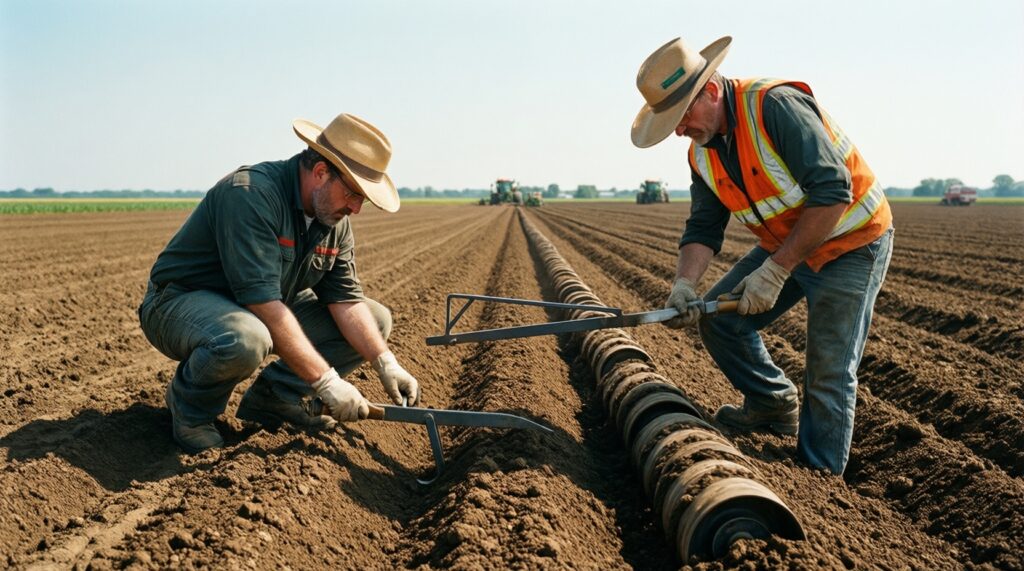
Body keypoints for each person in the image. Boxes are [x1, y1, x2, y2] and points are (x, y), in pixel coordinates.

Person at [631, 36, 893, 475]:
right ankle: (772, 404)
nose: (678, 130)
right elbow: (703, 227)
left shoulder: (775, 107)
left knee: (828, 370)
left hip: (851, 242)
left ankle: (820, 477)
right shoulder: (702, 154)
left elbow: (832, 192)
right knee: (721, 322)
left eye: (681, 116)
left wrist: (775, 271)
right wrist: (684, 284)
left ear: (710, 91)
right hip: (787, 244)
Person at [138, 113, 420, 454]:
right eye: (354, 194)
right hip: (180, 303)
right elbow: (264, 305)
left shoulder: (333, 220)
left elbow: (345, 301)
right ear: (320, 173)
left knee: (376, 319)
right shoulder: (251, 195)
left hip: (263, 307)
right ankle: (190, 411)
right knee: (245, 337)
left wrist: (385, 362)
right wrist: (327, 382)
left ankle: (276, 398)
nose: (357, 209)